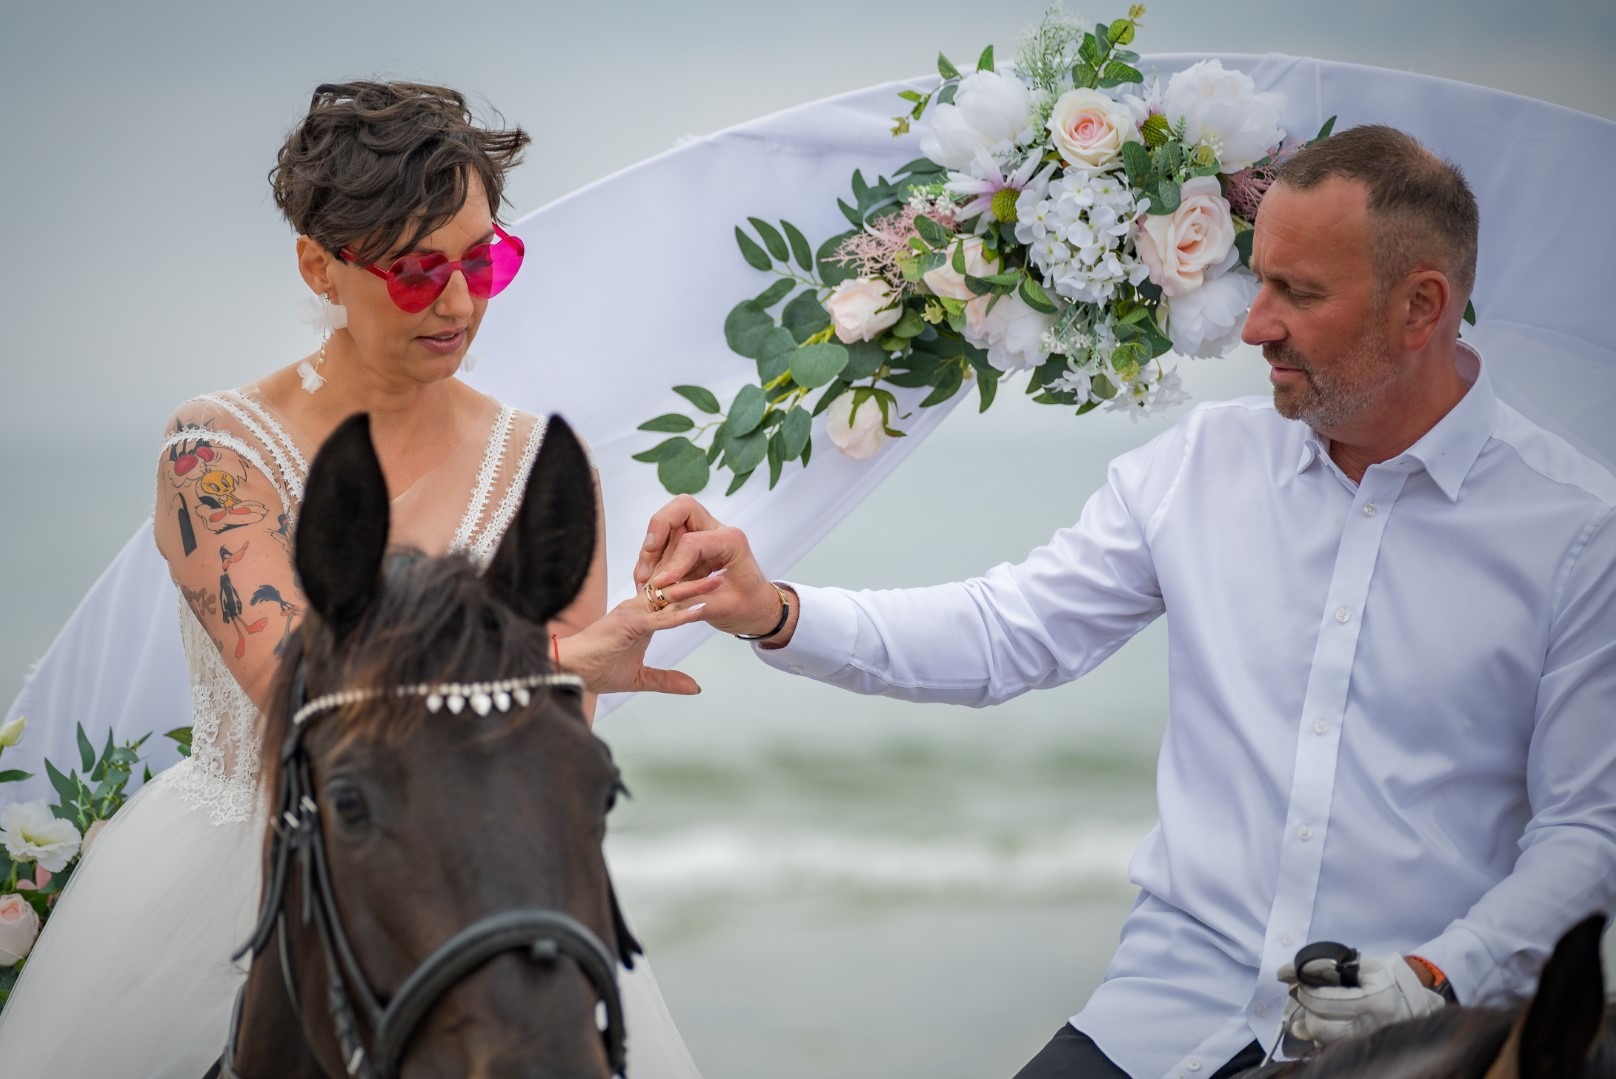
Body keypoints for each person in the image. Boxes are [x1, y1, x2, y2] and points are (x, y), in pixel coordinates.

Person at [630, 125, 1616, 1077]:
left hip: (1428, 1042)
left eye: (1299, 293)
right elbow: (1005, 631)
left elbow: (1586, 828)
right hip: (1162, 1020)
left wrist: (1434, 975)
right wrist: (774, 608)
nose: (1255, 324)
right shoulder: (1197, 467)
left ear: (1421, 306)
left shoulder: (1577, 536)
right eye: (1259, 279)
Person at [0, 81, 714, 1077]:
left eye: (482, 260)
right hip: (239, 877)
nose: (459, 303)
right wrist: (555, 660)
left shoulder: (542, 465)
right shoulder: (214, 453)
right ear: (319, 265)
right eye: (417, 273)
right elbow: (302, 688)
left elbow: (544, 744)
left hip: (486, 877)